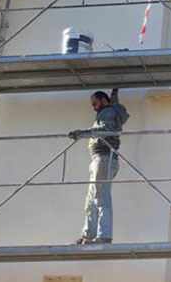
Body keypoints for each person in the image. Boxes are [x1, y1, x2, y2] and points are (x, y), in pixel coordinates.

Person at [69, 89, 129, 244]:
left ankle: (104, 236)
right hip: (100, 160)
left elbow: (106, 130)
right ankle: (89, 234)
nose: (94, 108)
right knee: (91, 199)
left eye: (95, 104)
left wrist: (82, 133)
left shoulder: (107, 113)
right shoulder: (110, 111)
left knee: (101, 199)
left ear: (103, 101)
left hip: (103, 159)